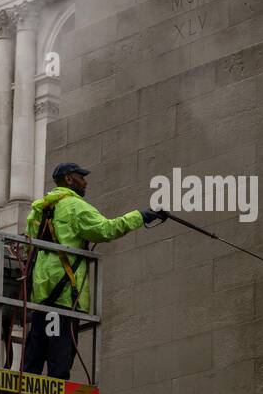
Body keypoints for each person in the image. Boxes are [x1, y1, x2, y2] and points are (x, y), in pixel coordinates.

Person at [23, 162, 162, 379]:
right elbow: (106, 230)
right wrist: (141, 216)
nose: (85, 181)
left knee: (36, 348)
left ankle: (28, 388)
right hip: (65, 291)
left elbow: (28, 247)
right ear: (69, 179)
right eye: (81, 177)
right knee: (60, 353)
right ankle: (56, 390)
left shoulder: (40, 209)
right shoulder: (75, 206)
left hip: (41, 290)